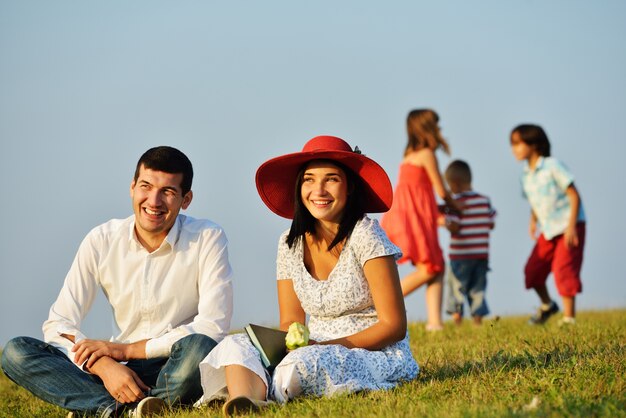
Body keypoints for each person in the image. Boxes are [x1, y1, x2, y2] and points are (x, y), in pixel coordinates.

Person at [1, 146, 234, 417]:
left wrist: (125, 349)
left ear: (186, 199)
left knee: (201, 346)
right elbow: (58, 323)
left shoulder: (207, 237)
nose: (154, 201)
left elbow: (212, 326)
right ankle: (130, 408)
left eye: (168, 192)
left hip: (176, 363)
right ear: (132, 187)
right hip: (118, 369)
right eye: (146, 186)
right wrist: (101, 364)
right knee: (17, 352)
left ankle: (106, 408)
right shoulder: (101, 240)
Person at [197, 135, 419, 416]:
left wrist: (321, 346)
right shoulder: (289, 242)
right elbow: (291, 321)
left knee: (300, 363)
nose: (319, 190)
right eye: (309, 179)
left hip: (369, 349)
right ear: (299, 187)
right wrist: (283, 344)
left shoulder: (366, 234)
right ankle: (246, 403)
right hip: (312, 343)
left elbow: (393, 326)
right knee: (235, 343)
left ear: (350, 187)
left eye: (331, 179)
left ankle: (263, 389)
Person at [381, 109, 461, 331]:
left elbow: (421, 197)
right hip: (413, 219)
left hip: (408, 216)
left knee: (435, 265)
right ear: (428, 129)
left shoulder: (409, 157)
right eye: (437, 125)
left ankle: (435, 323)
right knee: (430, 268)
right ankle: (382, 305)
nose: (440, 130)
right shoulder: (426, 154)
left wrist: (438, 214)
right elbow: (441, 190)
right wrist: (458, 207)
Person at [510, 124, 586, 326]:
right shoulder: (525, 174)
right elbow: (535, 201)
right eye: (512, 145)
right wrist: (533, 221)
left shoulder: (553, 166)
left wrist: (571, 226)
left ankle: (569, 319)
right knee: (533, 271)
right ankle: (547, 305)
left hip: (569, 226)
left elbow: (573, 194)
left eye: (518, 144)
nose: (514, 149)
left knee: (564, 269)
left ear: (534, 144)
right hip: (548, 229)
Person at [441, 160, 496, 326]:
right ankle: (477, 319)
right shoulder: (484, 200)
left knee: (457, 287)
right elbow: (491, 223)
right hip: (481, 255)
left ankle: (457, 318)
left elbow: (455, 227)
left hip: (460, 256)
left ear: (455, 184)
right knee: (477, 288)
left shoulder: (457, 203)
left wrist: (445, 223)